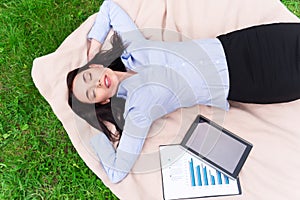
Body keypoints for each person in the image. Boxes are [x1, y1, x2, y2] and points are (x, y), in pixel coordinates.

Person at [67, 0, 300, 183]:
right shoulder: (138, 111)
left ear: (97, 67)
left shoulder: (133, 48)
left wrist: (94, 46)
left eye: (89, 76)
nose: (96, 84)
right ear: (103, 101)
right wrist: (98, 138)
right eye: (91, 93)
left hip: (241, 45)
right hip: (248, 82)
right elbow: (117, 172)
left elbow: (109, 8)